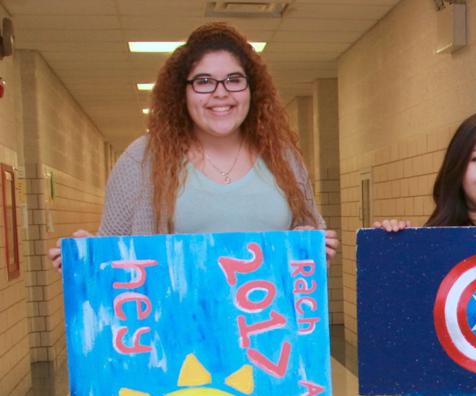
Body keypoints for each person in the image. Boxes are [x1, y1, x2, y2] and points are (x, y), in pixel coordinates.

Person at [50, 22, 336, 265]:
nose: (220, 93)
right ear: (182, 92)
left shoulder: (281, 156)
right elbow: (111, 251)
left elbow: (314, 235)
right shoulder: (143, 159)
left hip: (269, 325)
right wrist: (85, 256)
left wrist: (312, 240)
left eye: (234, 80)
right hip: (178, 329)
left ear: (252, 88)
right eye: (204, 81)